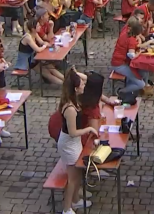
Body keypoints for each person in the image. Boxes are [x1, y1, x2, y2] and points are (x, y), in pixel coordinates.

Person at [57, 70, 98, 213]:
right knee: (72, 179)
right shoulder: (70, 109)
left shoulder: (74, 100)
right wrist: (89, 130)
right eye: (81, 84)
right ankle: (67, 209)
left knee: (78, 174)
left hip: (73, 143)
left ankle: (75, 200)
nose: (84, 86)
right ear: (75, 88)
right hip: (69, 144)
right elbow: (73, 132)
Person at [110, 17, 154, 96]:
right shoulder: (131, 39)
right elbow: (131, 55)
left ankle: (136, 87)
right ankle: (121, 91)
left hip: (122, 62)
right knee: (140, 84)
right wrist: (139, 52)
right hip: (119, 65)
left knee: (144, 70)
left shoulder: (126, 32)